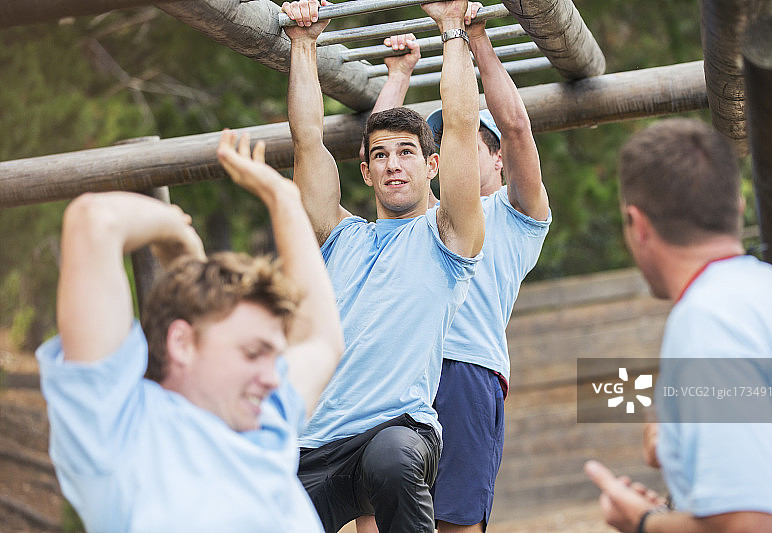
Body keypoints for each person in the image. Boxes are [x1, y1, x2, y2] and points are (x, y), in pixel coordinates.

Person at [36, 130, 344, 533]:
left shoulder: (264, 422)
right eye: (253, 353)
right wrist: (174, 229)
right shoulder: (118, 430)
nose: (274, 376)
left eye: (273, 354)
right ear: (181, 342)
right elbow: (93, 222)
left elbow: (322, 339)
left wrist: (283, 199)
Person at [279, 0, 484, 531]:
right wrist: (303, 42)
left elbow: (461, 126)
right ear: (366, 172)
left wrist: (453, 27)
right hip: (315, 441)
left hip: (396, 431)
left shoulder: (447, 236)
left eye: (407, 152)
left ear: (431, 165)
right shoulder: (339, 235)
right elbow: (307, 139)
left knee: (392, 463)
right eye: (381, 155)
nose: (393, 163)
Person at [354, 4, 551, 531]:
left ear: (499, 160)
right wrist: (397, 77)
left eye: (473, 144)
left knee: (456, 521)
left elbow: (515, 126)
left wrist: (474, 36)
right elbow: (378, 149)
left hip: (464, 369)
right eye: (444, 145)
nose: (457, 150)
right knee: (373, 518)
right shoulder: (421, 222)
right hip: (397, 366)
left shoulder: (513, 216)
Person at [584, 118, 772, 533]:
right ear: (736, 207)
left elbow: (747, 525)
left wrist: (643, 521)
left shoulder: (708, 322)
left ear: (639, 224)